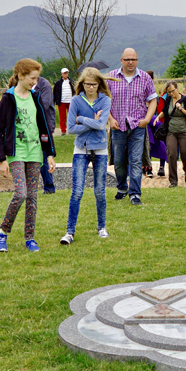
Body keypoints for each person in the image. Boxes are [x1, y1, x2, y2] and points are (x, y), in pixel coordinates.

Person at [0, 58, 57, 253]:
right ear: (20, 75)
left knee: (32, 197)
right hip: (17, 152)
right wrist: (1, 158)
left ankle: (30, 238)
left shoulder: (35, 97)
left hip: (35, 152)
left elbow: (44, 127)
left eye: (36, 79)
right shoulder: (8, 98)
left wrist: (50, 154)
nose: (34, 82)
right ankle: (2, 233)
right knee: (21, 193)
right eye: (32, 78)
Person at [60, 68, 112, 244]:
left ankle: (102, 227)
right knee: (77, 192)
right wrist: (93, 122)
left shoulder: (105, 100)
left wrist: (81, 119)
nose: (91, 88)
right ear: (82, 84)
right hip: (81, 149)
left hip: (100, 149)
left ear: (99, 85)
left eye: (94, 84)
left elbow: (101, 125)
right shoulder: (76, 100)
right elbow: (70, 128)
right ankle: (69, 232)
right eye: (87, 84)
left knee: (99, 191)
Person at [107, 49, 158, 205]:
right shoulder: (112, 77)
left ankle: (135, 193)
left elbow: (153, 100)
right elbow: (103, 101)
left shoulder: (145, 78)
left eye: (133, 59)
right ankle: (122, 188)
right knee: (120, 161)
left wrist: (147, 119)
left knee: (135, 160)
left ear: (137, 60)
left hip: (137, 126)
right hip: (118, 126)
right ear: (121, 60)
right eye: (127, 59)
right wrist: (110, 119)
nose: (130, 62)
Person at [159, 81, 186, 186]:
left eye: (172, 91)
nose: (171, 94)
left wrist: (181, 109)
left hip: (183, 131)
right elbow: (165, 111)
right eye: (169, 92)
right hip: (171, 131)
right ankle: (173, 180)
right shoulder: (169, 99)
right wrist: (157, 117)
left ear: (177, 89)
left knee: (185, 154)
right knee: (172, 154)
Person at [34, 73, 58, 194]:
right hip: (30, 128)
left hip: (45, 125)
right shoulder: (22, 84)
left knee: (44, 156)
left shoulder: (44, 85)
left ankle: (49, 187)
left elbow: (45, 104)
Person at [53, 68, 73, 135]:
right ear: (62, 74)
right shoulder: (58, 83)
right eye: (64, 73)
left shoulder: (71, 81)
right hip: (62, 102)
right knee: (62, 117)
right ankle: (63, 130)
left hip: (70, 101)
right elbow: (55, 92)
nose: (66, 74)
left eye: (67, 73)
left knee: (71, 116)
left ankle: (71, 129)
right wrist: (55, 101)